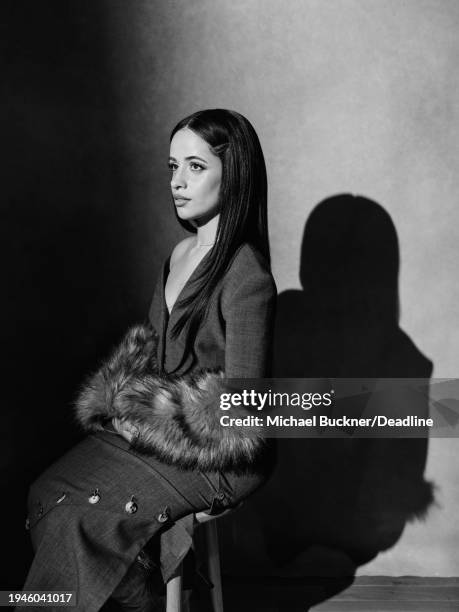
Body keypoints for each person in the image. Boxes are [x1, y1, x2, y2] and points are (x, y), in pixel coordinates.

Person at [23, 109, 277, 611]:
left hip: (224, 454)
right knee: (47, 492)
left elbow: (246, 410)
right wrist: (131, 406)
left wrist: (155, 421)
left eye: (196, 167)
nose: (178, 182)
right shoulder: (179, 255)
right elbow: (154, 361)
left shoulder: (247, 274)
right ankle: (136, 596)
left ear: (235, 174)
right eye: (172, 166)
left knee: (82, 515)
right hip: (159, 430)